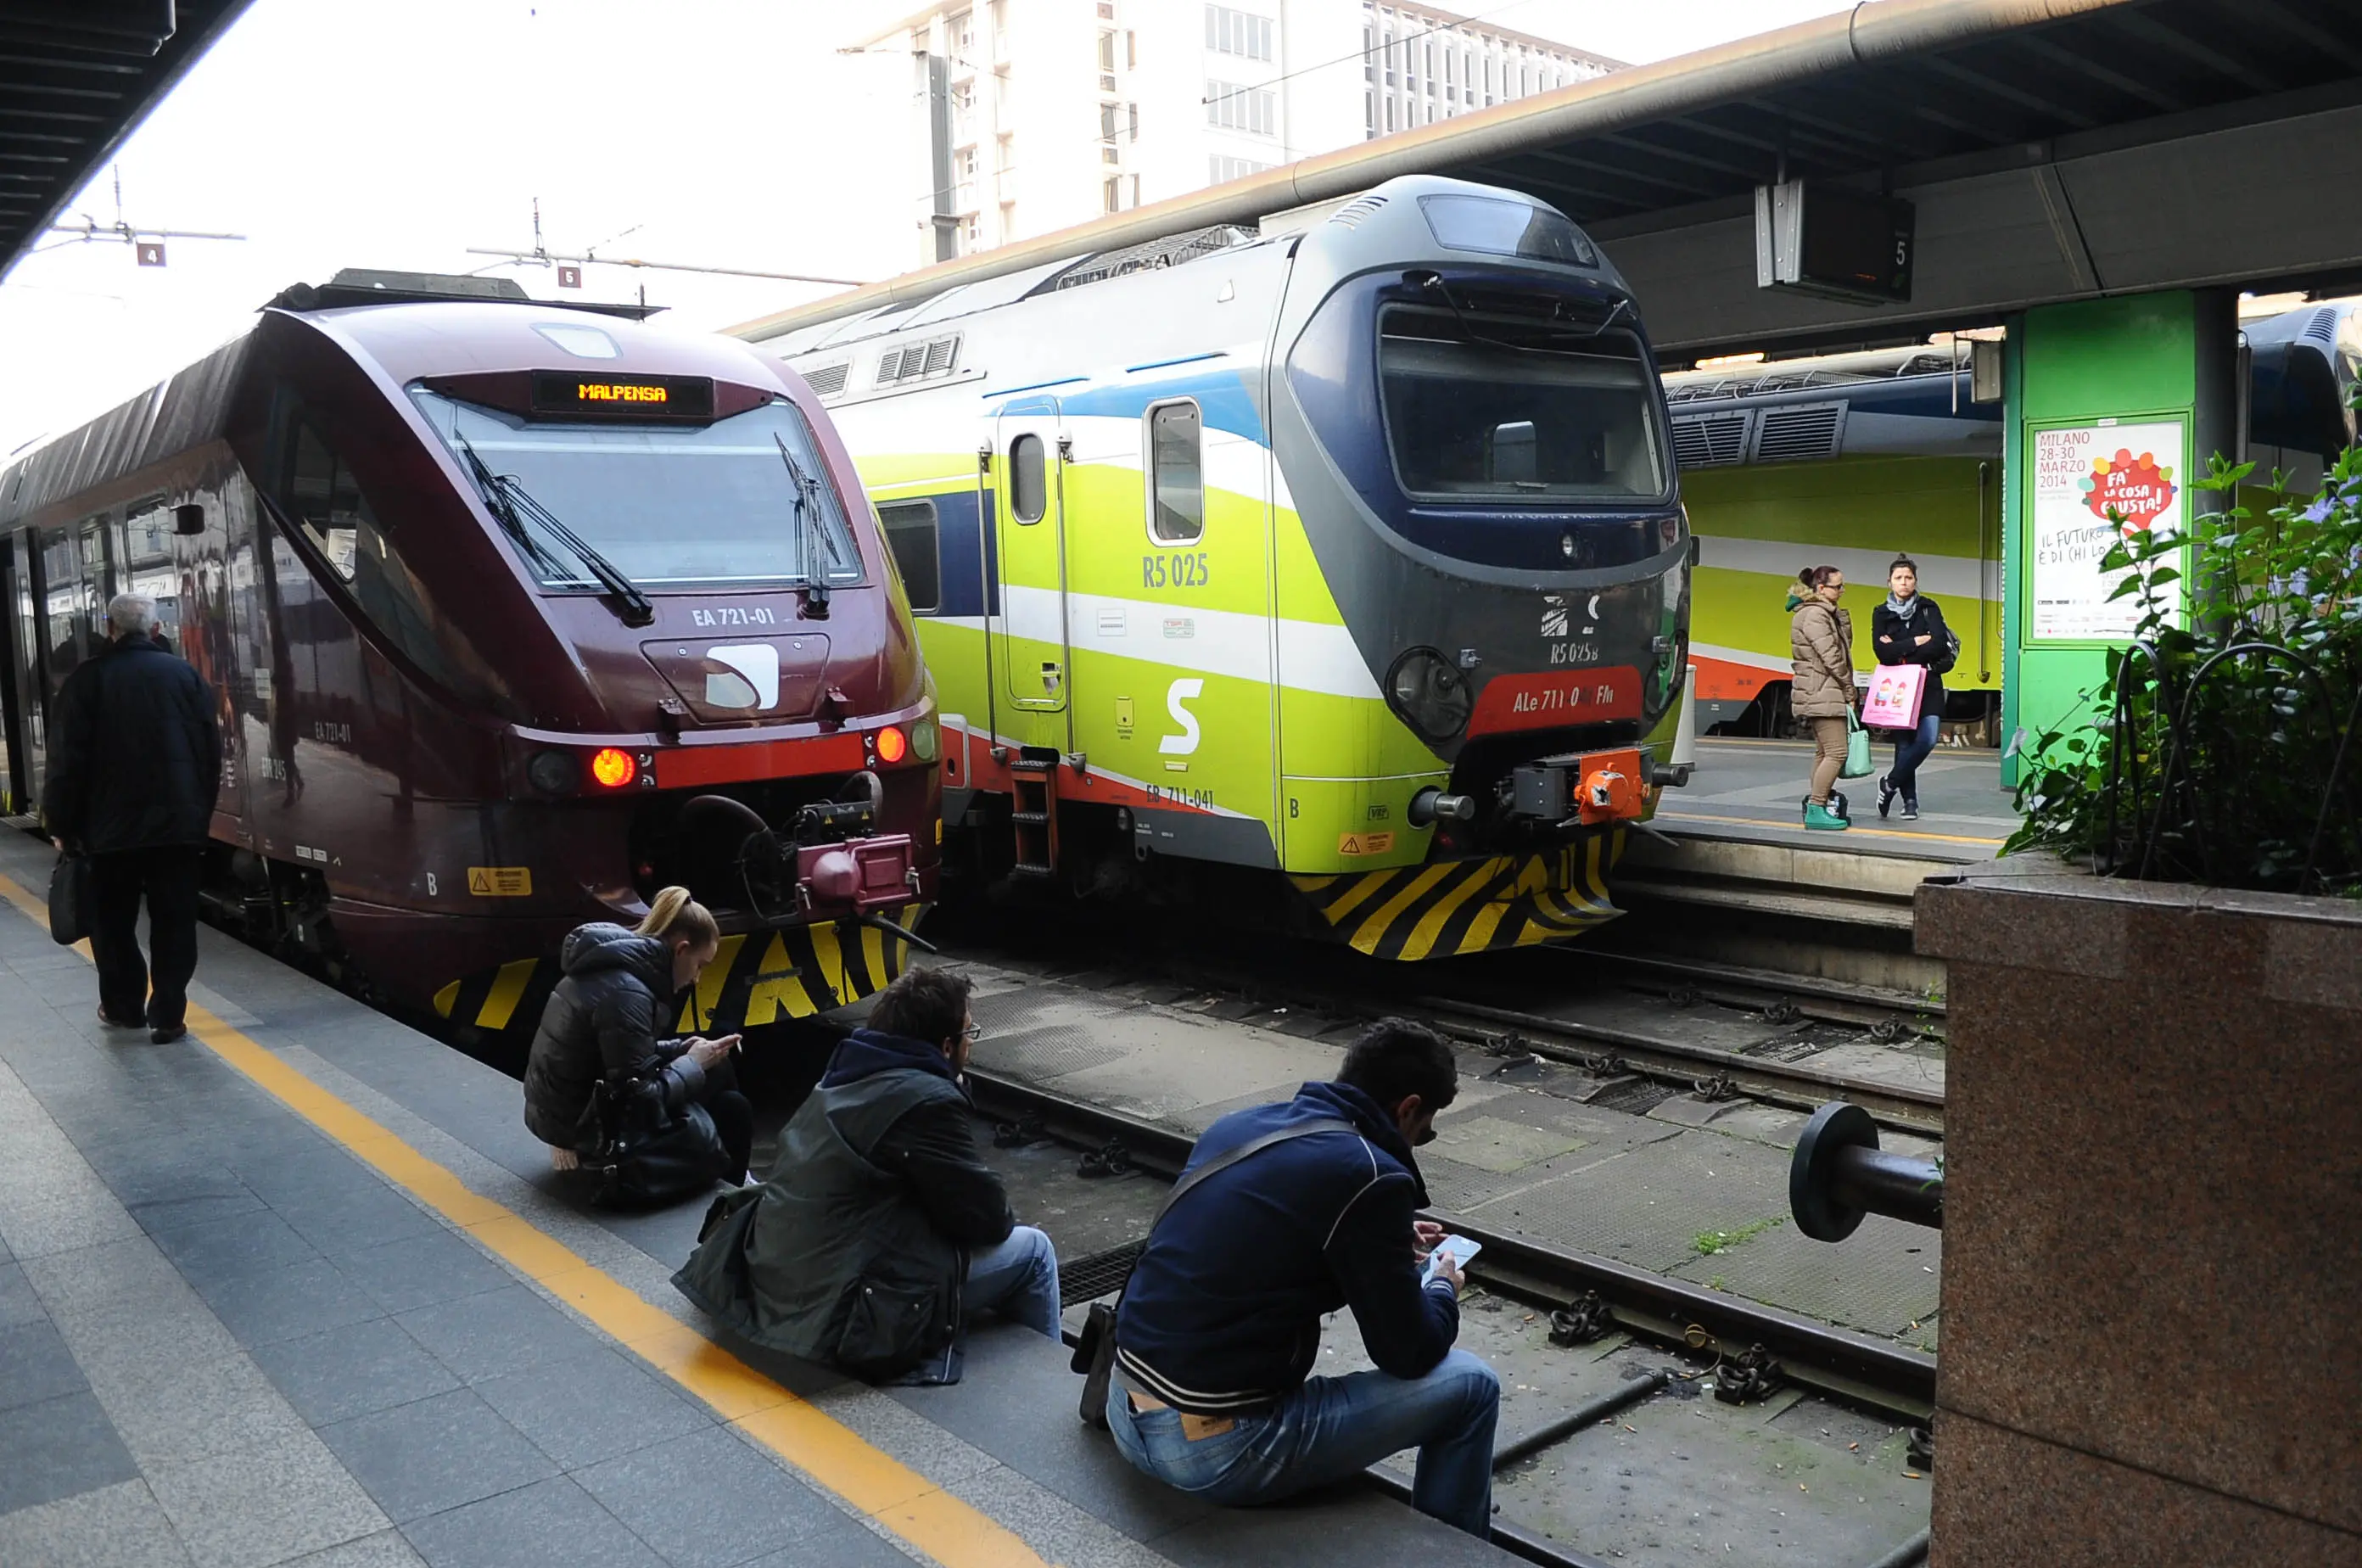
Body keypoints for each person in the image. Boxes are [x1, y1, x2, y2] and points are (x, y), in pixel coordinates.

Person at [1105, 1019, 1501, 1540]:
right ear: (1407, 1108)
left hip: (1124, 1406)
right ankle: (1458, 1556)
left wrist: (1380, 1237)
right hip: (1214, 1453)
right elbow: (1409, 1352)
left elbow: (1266, 1227)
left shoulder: (1241, 1126)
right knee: (1473, 1387)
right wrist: (1442, 1287)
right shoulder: (1370, 1175)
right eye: (1426, 1129)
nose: (1420, 1140)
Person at [672, 967, 1060, 1384]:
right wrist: (953, 1092)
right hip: (837, 1308)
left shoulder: (843, 1075)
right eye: (969, 1034)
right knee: (1035, 1252)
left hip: (773, 1274)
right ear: (946, 1047)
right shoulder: (927, 1102)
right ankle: (1047, 1383)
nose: (971, 1043)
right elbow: (989, 1219)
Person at [42, 592, 221, 1044]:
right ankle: (169, 1014)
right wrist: (200, 817)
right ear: (156, 629)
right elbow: (209, 756)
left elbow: (67, 762)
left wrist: (61, 825)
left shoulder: (86, 681)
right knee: (175, 921)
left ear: (111, 630)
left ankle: (123, 1008)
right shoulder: (186, 676)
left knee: (113, 922)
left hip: (109, 831)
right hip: (177, 829)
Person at [521, 886, 753, 1185]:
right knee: (735, 1110)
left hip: (575, 1112)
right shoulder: (627, 993)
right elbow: (640, 1099)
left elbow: (621, 1054)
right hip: (587, 1130)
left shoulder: (616, 969)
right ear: (681, 949)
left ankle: (734, 1176)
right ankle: (735, 1192)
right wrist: (693, 1064)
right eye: (700, 965)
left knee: (719, 1067)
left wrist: (681, 1049)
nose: (697, 978)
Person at [1870, 555, 1952, 821]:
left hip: (1927, 683)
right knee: (1904, 745)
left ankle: (1889, 783)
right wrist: (1917, 641)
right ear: (1890, 581)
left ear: (1915, 581)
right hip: (1898, 686)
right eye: (1898, 578)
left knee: (1927, 739)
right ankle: (1910, 802)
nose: (1903, 583)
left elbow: (1939, 644)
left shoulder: (1929, 608)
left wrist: (1901, 649)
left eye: (1908, 578)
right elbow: (1881, 652)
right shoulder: (1880, 612)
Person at [1788, 564, 1858, 832]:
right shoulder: (1816, 615)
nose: (1842, 590)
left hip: (1819, 689)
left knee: (1823, 752)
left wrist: (1840, 616)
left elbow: (1844, 645)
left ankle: (1819, 806)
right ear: (1821, 588)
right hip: (1823, 689)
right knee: (1837, 752)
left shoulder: (1820, 612)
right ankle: (1817, 807)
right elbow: (1833, 657)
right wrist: (1850, 690)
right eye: (1838, 586)